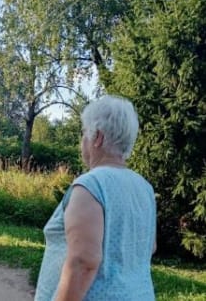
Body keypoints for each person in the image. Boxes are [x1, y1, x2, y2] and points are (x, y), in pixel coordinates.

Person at [34, 95, 157, 301]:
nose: (83, 141)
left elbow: (83, 263)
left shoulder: (91, 185)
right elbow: (149, 247)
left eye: (85, 133)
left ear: (97, 137)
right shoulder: (144, 188)